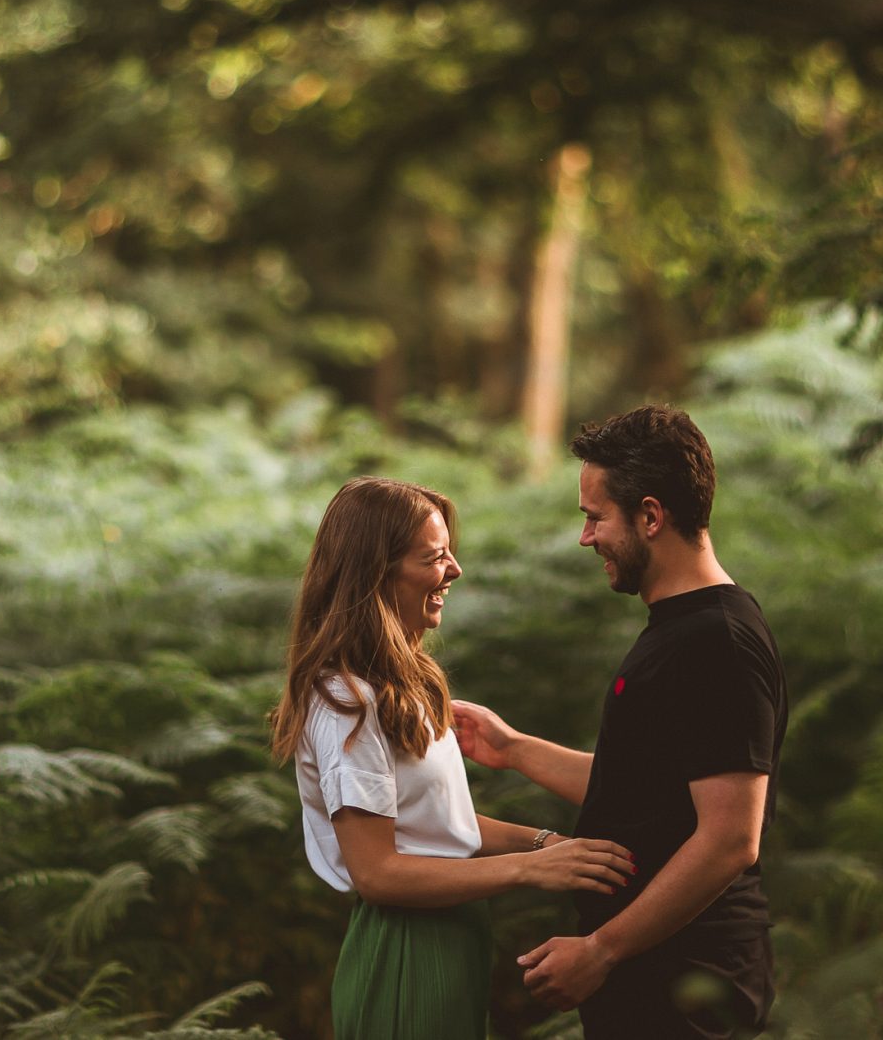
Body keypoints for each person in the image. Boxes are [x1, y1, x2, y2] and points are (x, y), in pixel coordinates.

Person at [454, 406, 788, 1039]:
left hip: (690, 982)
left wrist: (602, 948)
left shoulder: (715, 641)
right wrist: (513, 748)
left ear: (651, 516)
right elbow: (648, 792)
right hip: (654, 975)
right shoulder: (682, 630)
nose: (586, 538)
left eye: (595, 517)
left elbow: (730, 839)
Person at [270, 476, 637, 1040]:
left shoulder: (398, 685)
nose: (455, 570)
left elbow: (439, 830)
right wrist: (529, 869)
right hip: (405, 948)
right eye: (435, 557)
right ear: (376, 573)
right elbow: (379, 873)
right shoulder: (346, 702)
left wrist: (544, 843)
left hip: (453, 933)